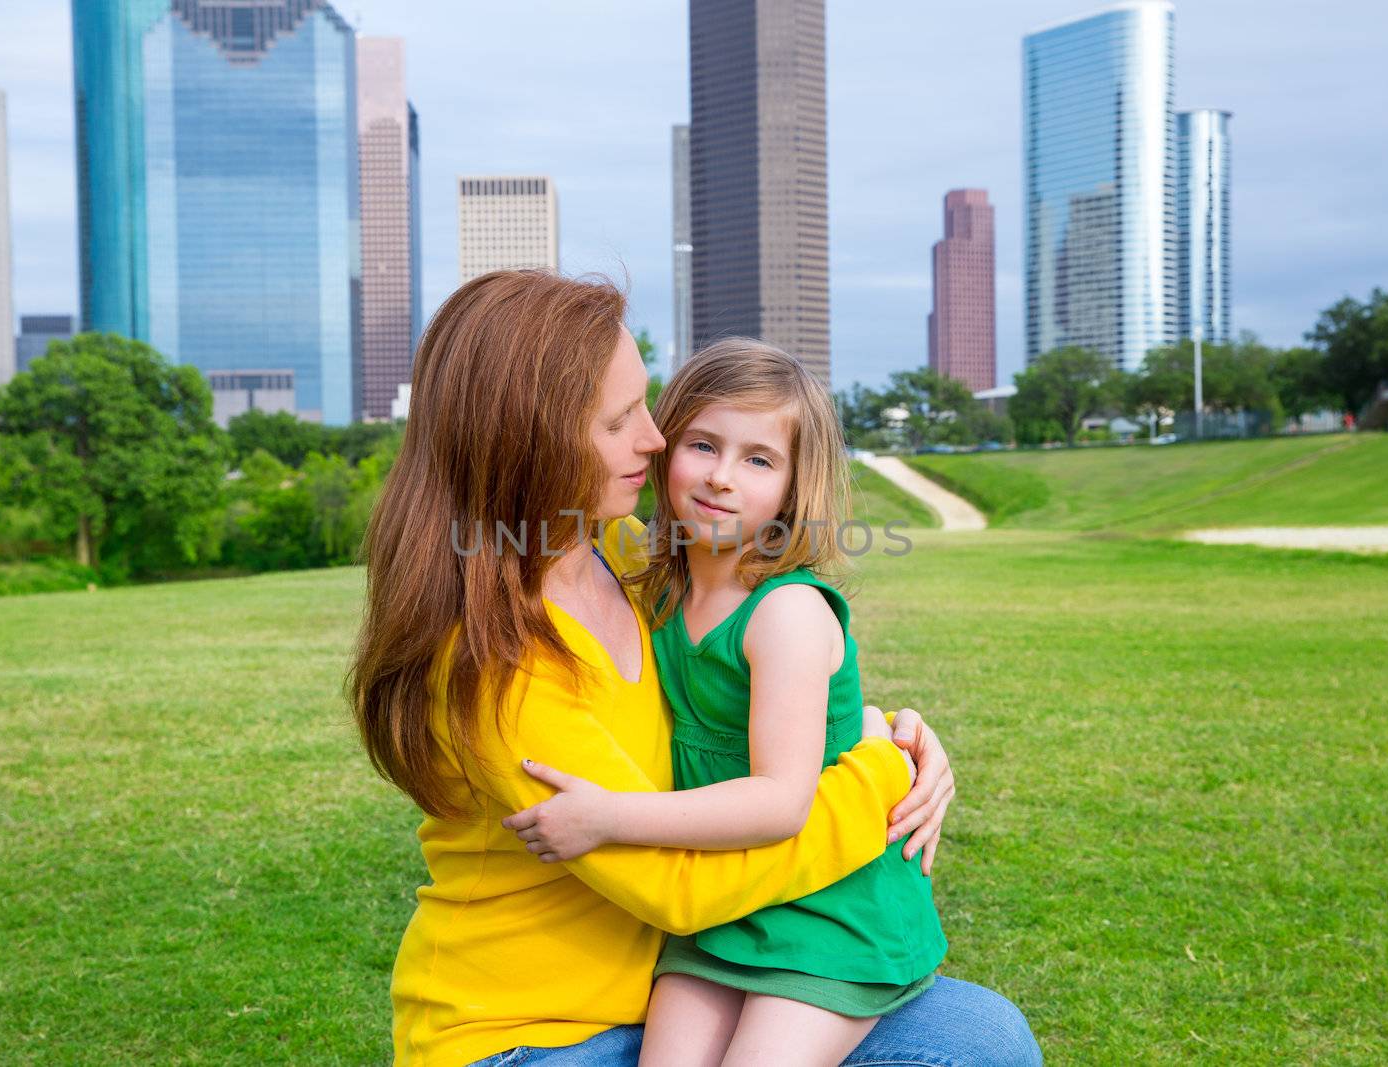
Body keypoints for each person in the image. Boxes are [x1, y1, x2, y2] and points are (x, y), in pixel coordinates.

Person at [348, 270, 1040, 1067]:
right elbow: (684, 884)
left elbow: (738, 695)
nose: (656, 439)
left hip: (694, 970)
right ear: (529, 442)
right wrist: (880, 775)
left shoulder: (625, 556)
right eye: (621, 420)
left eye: (648, 405)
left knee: (984, 1038)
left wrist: (883, 725)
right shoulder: (491, 669)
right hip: (532, 1035)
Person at [501, 339, 948, 1066]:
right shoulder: (654, 581)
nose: (721, 477)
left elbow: (780, 800)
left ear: (795, 487)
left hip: (828, 910)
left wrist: (608, 815)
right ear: (664, 444)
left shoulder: (787, 612)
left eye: (759, 460)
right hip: (724, 907)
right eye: (703, 444)